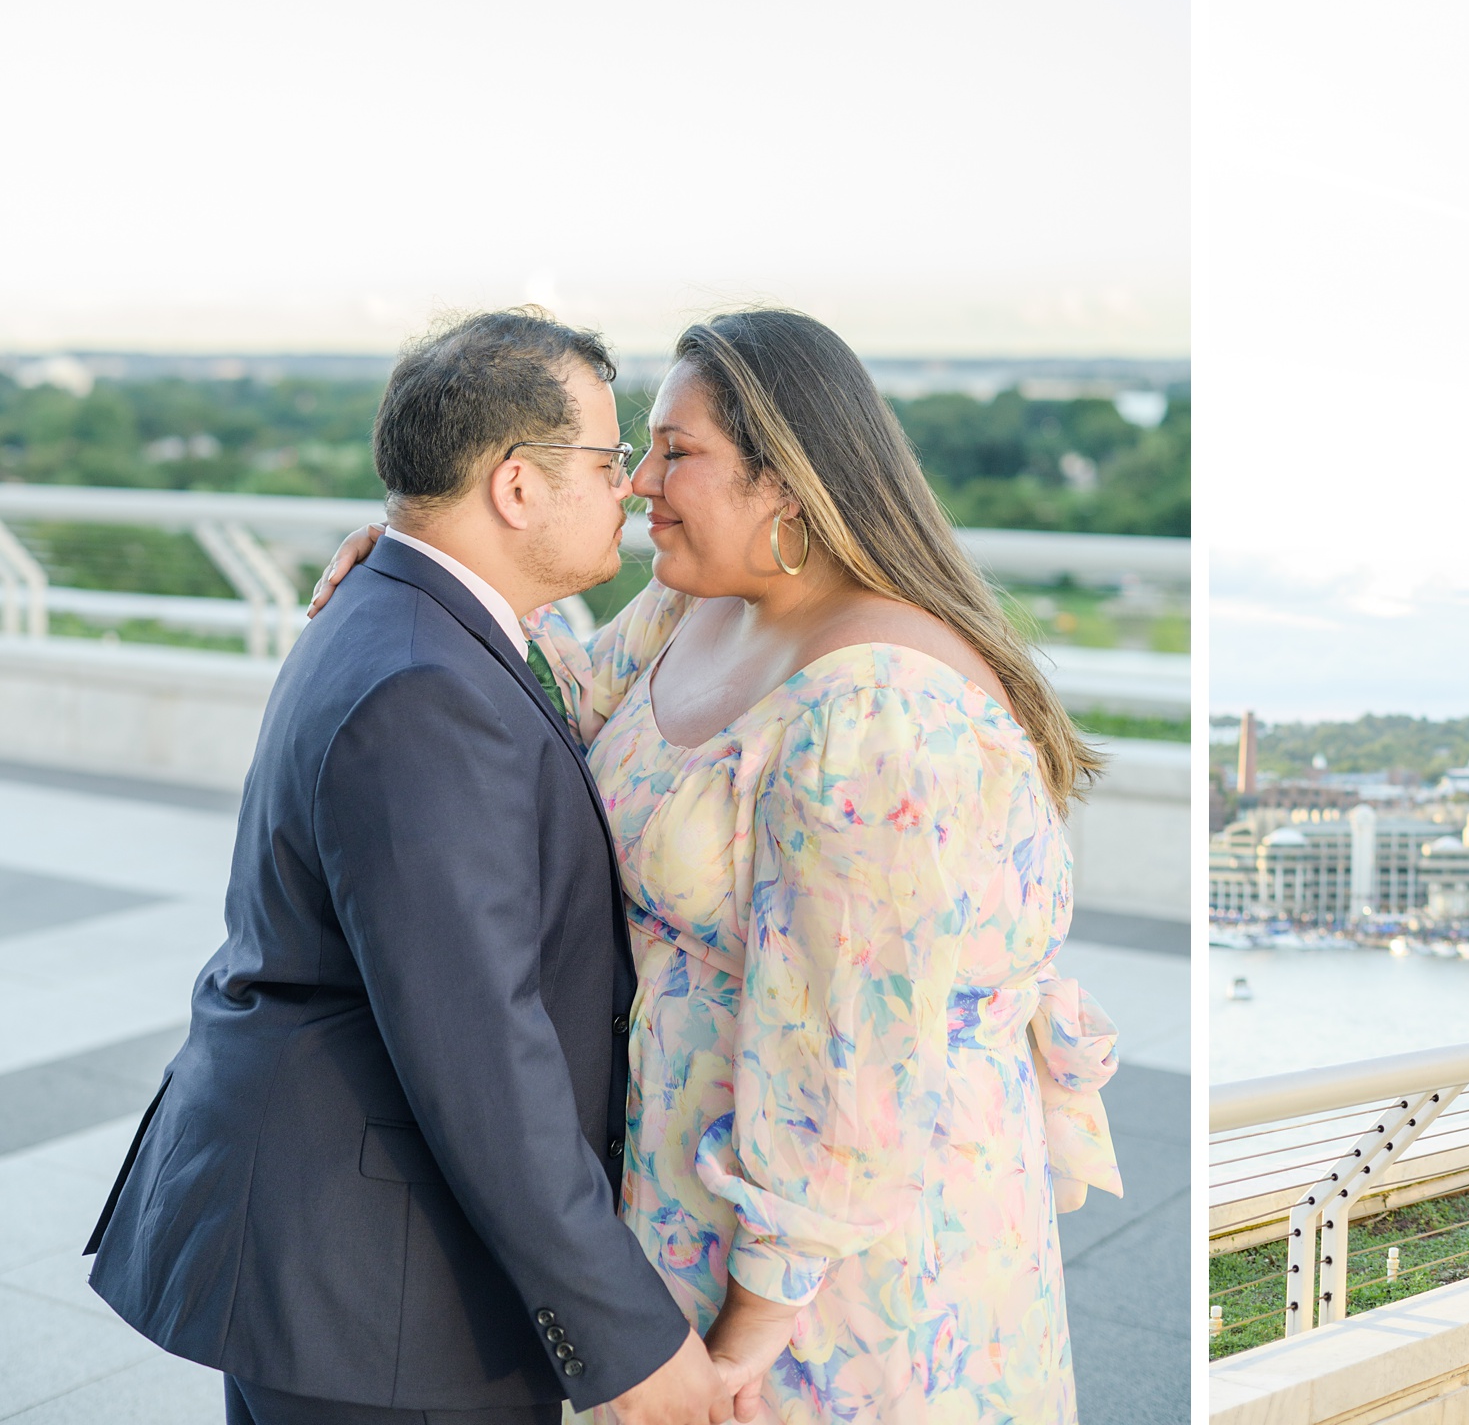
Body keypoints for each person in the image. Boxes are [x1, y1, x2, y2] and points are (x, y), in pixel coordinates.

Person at [315, 307, 1121, 1424]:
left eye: (675, 451)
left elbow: (849, 1064)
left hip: (838, 1277)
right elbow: (567, 704)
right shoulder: (694, 605)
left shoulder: (879, 711)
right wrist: (434, 554)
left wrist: (745, 1339)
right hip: (692, 1210)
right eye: (640, 449)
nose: (642, 482)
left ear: (785, 481)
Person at [87, 311, 741, 1425]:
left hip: (340, 1250)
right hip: (379, 1287)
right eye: (607, 457)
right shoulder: (422, 684)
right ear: (516, 486)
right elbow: (483, 1053)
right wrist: (625, 1335)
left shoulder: (413, 616)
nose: (629, 486)